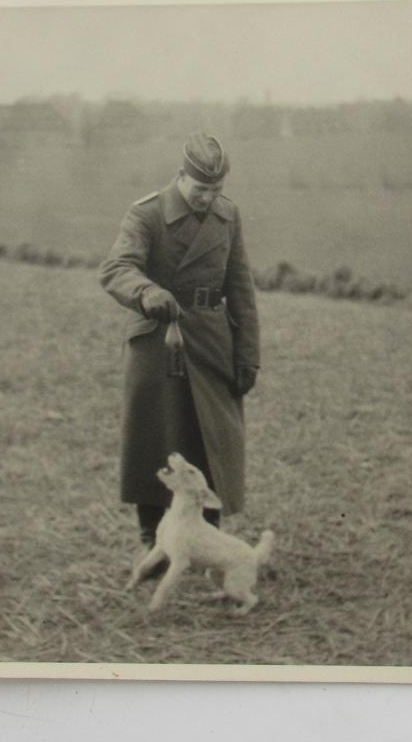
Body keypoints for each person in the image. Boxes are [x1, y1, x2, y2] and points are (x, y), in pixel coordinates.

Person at [99, 132, 260, 557]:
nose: (208, 198)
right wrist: (147, 293)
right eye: (200, 188)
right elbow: (116, 267)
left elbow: (241, 289)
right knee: (154, 438)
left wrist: (247, 353)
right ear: (181, 176)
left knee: (211, 440)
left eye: (215, 189)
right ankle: (151, 539)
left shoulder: (228, 216)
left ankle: (208, 536)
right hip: (157, 341)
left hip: (209, 341)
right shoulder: (147, 214)